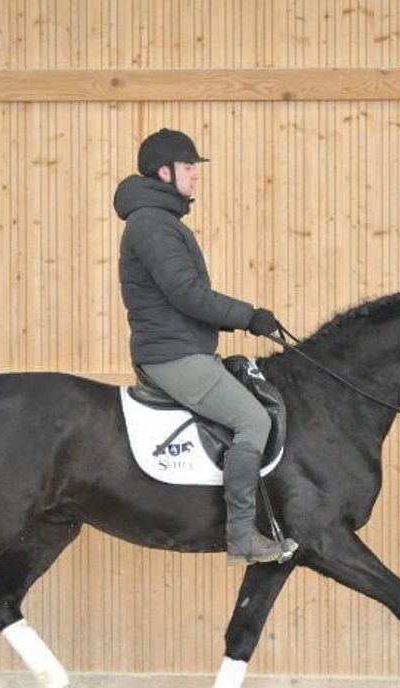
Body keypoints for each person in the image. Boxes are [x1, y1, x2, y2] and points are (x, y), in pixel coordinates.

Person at [113, 128, 297, 565]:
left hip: (182, 348)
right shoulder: (152, 225)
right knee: (253, 419)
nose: (196, 176)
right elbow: (187, 294)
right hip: (172, 355)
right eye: (189, 168)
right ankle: (242, 538)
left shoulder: (160, 221)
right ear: (165, 171)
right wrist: (249, 316)